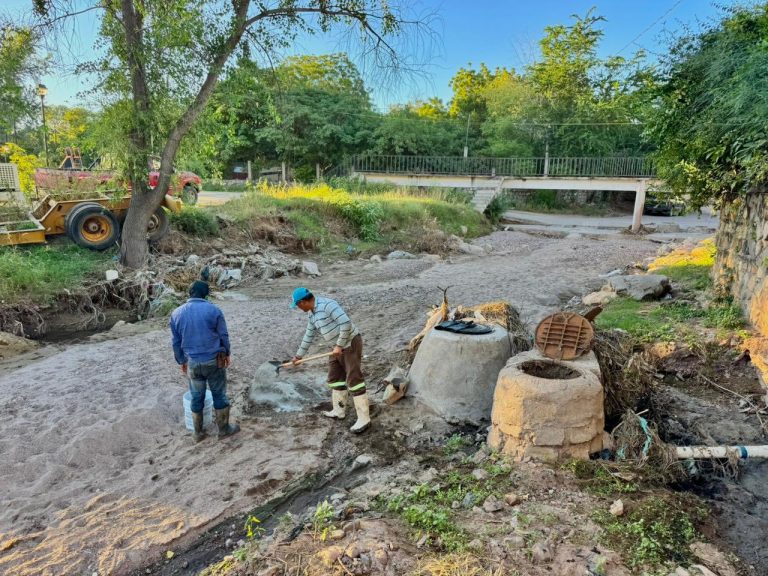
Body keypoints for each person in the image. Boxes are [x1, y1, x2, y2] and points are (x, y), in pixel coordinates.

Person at [291, 287, 370, 433]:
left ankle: (364, 419)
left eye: (297, 305)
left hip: (350, 343)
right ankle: (339, 410)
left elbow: (345, 323)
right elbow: (309, 335)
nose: (298, 308)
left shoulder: (328, 305)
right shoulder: (312, 314)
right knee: (335, 378)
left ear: (302, 302)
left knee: (354, 379)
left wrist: (340, 345)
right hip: (336, 347)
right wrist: (298, 356)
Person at [170, 280, 240, 442]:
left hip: (193, 363)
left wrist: (182, 361)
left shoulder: (176, 313)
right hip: (214, 361)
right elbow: (223, 335)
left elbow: (175, 342)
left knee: (196, 397)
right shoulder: (214, 310)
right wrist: (227, 352)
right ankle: (223, 430)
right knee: (219, 394)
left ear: (190, 293)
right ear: (206, 294)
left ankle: (197, 433)